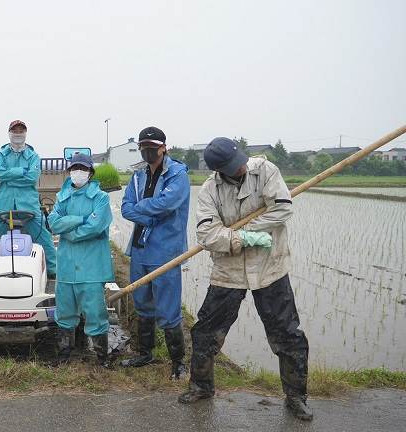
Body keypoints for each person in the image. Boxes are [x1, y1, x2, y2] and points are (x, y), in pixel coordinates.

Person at [178, 137, 313, 421]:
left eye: (239, 162)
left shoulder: (265, 170)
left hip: (269, 267)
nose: (239, 168)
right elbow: (206, 235)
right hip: (229, 271)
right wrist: (243, 237)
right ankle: (201, 386)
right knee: (205, 332)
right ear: (219, 170)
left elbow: (283, 207)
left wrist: (251, 227)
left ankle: (296, 396)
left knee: (288, 334)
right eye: (231, 167)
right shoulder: (209, 191)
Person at [120, 126, 190, 380]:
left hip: (166, 250)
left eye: (152, 146)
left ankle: (178, 362)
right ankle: (145, 353)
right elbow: (126, 208)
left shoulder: (178, 174)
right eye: (143, 147)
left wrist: (143, 208)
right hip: (140, 248)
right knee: (142, 303)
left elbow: (169, 203)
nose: (148, 151)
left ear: (163, 147)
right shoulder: (137, 177)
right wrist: (149, 217)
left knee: (168, 307)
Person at [47, 153, 113, 368]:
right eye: (74, 168)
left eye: (82, 168)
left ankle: (102, 359)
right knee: (64, 313)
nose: (78, 172)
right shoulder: (61, 196)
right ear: (69, 171)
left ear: (90, 172)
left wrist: (70, 231)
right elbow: (54, 223)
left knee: (95, 313)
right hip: (66, 267)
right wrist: (81, 219)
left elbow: (96, 226)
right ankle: (64, 355)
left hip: (91, 267)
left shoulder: (101, 198)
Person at [0, 120, 56, 279]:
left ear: (25, 133)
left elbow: (32, 178)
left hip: (30, 205)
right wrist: (22, 171)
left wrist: (10, 176)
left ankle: (54, 271)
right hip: (4, 204)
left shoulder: (34, 156)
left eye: (21, 131)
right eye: (15, 131)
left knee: (44, 236)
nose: (18, 134)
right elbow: (1, 174)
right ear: (9, 133)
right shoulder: (0, 154)